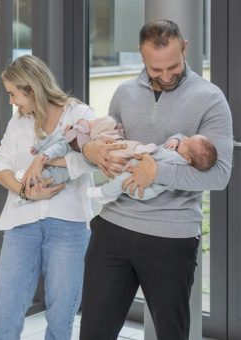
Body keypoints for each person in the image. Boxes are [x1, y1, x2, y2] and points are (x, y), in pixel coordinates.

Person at [79, 20, 233, 340]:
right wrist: (93, 150)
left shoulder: (211, 98)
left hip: (171, 237)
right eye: (155, 69)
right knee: (94, 332)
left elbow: (219, 175)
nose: (165, 76)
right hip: (112, 229)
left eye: (173, 67)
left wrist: (158, 171)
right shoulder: (123, 93)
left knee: (171, 334)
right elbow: (113, 147)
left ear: (185, 48)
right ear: (141, 55)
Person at [0, 55, 95, 340]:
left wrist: (45, 162)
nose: (11, 100)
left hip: (70, 225)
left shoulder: (79, 115)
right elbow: (0, 166)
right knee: (5, 311)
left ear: (31, 89)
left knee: (61, 315)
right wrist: (25, 190)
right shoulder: (19, 121)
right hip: (22, 221)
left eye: (13, 93)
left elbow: (93, 160)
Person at [87, 133, 218, 203]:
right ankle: (112, 193)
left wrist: (145, 152)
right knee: (123, 168)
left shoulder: (177, 160)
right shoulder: (181, 150)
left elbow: (153, 161)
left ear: (187, 159)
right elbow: (181, 135)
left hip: (144, 190)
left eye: (185, 142)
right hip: (140, 171)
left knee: (123, 180)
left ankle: (104, 193)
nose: (184, 139)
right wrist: (176, 139)